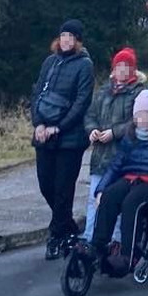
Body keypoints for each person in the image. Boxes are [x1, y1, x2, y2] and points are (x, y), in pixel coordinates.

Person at [87, 90, 148, 274]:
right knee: (110, 196)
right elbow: (115, 166)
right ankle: (97, 247)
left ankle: (129, 255)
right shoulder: (129, 137)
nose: (141, 119)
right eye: (138, 115)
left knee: (131, 202)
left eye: (145, 114)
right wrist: (100, 190)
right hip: (131, 178)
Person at [31, 20, 94, 260]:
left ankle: (56, 236)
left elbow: (82, 101)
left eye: (71, 36)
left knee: (63, 189)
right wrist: (38, 123)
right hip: (43, 133)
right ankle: (68, 228)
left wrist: (59, 127)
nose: (66, 40)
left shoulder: (84, 65)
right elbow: (37, 93)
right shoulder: (50, 62)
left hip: (70, 138)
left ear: (78, 40)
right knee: (46, 184)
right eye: (63, 35)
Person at [83, 47, 145, 243]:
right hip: (101, 154)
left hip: (124, 156)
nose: (122, 71)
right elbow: (90, 115)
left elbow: (139, 121)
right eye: (119, 66)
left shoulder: (140, 93)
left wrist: (115, 133)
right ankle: (90, 238)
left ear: (133, 69)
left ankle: (117, 241)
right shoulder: (103, 91)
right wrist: (92, 130)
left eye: (127, 67)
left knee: (118, 201)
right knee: (95, 198)